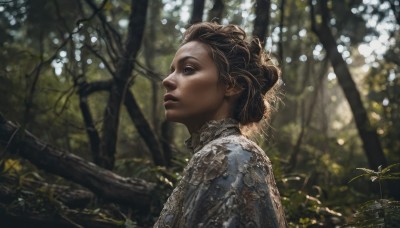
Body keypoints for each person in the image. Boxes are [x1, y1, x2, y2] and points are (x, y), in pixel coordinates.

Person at [154, 22, 287, 228]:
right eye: (172, 71)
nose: (167, 81)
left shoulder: (230, 154)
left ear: (231, 85)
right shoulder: (217, 153)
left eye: (188, 69)